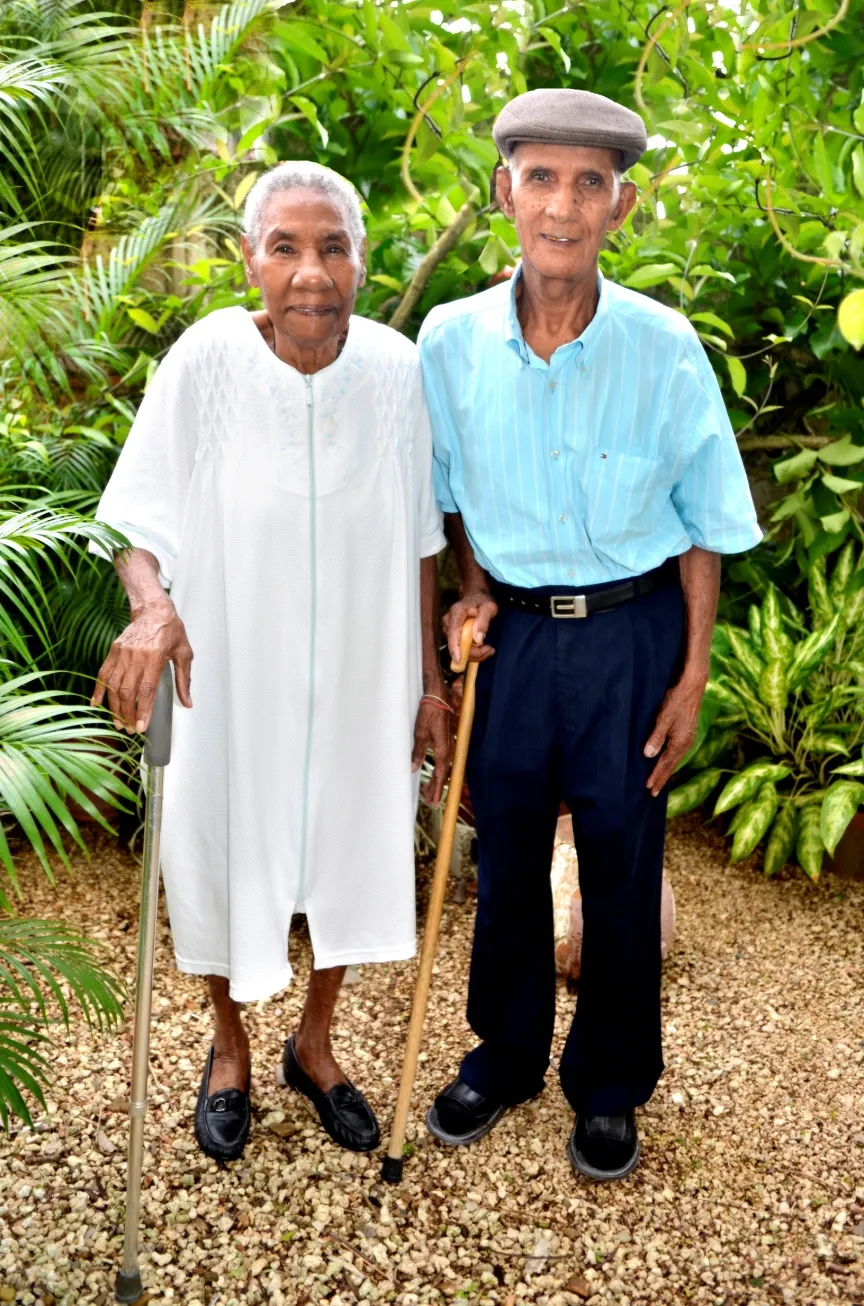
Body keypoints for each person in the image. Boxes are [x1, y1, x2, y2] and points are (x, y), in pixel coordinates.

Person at [418, 89, 762, 1181]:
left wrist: (695, 670)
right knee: (507, 850)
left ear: (622, 205)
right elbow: (440, 501)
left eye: (589, 183)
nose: (562, 205)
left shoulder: (664, 348)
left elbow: (706, 522)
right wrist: (465, 595)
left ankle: (609, 1083)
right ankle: (507, 1051)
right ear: (503, 192)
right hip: (510, 637)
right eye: (542, 177)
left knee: (621, 857)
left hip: (630, 637)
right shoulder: (449, 341)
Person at [92, 161, 450, 1163]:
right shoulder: (203, 362)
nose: (310, 270)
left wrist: (426, 681)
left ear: (362, 263)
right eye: (285, 246)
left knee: (350, 842)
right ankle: (228, 1048)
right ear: (248, 259)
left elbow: (421, 539)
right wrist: (153, 606)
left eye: (332, 247)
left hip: (359, 675)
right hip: (230, 675)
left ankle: (316, 1044)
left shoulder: (396, 371)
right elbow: (134, 519)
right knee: (215, 846)